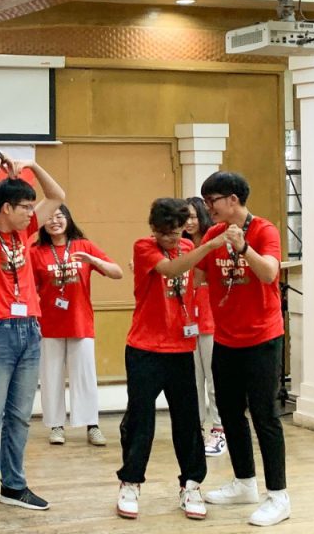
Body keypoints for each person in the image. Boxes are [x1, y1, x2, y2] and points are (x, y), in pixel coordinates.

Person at [115, 198, 226, 521]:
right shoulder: (143, 247)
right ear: (154, 229)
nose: (171, 239)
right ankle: (131, 482)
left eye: (176, 233)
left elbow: (197, 275)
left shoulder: (187, 247)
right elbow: (171, 269)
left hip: (180, 349)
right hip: (145, 349)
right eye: (165, 234)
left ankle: (191, 485)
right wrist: (210, 245)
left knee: (188, 422)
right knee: (140, 421)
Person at [0, 152, 64, 521]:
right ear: (6, 208)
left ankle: (13, 486)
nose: (31, 213)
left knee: (20, 417)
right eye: (24, 207)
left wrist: (31, 166)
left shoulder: (22, 232)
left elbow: (57, 196)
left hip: (30, 330)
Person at [196, 172, 289, 527]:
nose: (208, 207)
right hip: (226, 339)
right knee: (231, 414)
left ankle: (278, 496)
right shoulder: (212, 235)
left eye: (212, 200)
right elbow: (199, 277)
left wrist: (244, 248)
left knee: (265, 416)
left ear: (232, 199)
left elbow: (269, 274)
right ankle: (245, 483)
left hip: (262, 339)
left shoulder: (264, 230)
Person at [30, 204, 122, 447]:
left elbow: (117, 272)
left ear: (68, 219)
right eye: (49, 218)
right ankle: (56, 426)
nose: (54, 221)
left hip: (80, 322)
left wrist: (93, 260)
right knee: (51, 377)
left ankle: (92, 425)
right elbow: (28, 287)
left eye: (59, 216)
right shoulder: (35, 251)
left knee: (85, 377)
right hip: (49, 324)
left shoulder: (84, 245)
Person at [184, 197, 227, 458]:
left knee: (214, 379)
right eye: (184, 217)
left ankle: (219, 430)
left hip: (211, 319)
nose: (189, 222)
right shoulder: (180, 246)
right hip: (187, 320)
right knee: (193, 379)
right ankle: (196, 429)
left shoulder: (214, 244)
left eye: (193, 216)